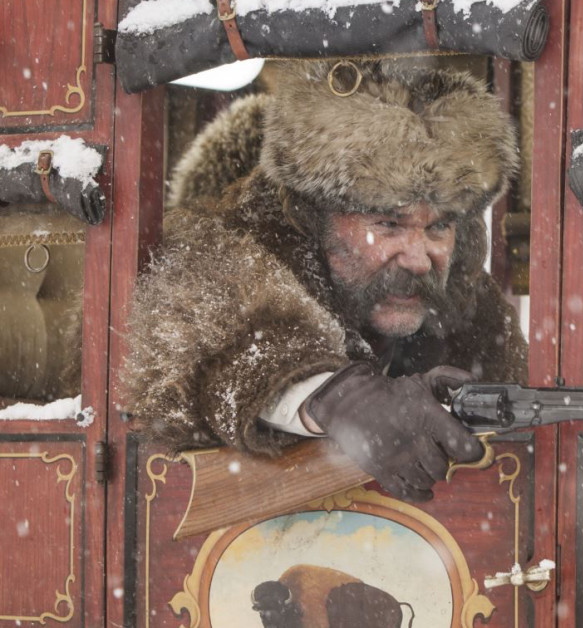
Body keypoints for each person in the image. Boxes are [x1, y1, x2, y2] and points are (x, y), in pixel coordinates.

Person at [121, 60, 528, 502]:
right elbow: (215, 345)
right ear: (314, 220)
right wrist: (341, 399)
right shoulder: (230, 264)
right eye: (389, 223)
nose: (418, 259)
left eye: (439, 226)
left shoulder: (470, 311)